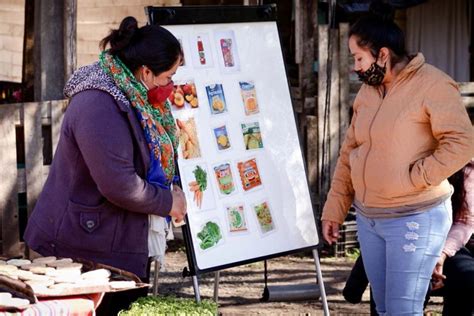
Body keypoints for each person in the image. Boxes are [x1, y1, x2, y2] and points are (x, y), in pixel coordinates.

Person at [321, 2, 474, 315]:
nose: (355, 67)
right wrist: (334, 209)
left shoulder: (434, 84)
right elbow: (350, 153)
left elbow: (462, 142)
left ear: (383, 54)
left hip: (416, 216)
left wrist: (416, 177)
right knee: (385, 309)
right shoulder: (367, 94)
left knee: (403, 310)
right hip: (370, 218)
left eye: (358, 57)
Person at [24, 16, 187, 285]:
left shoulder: (134, 94)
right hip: (77, 252)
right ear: (146, 72)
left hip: (106, 239)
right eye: (168, 77)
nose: (171, 85)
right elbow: (121, 185)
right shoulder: (99, 104)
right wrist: (169, 202)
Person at [343, 161, 474, 315]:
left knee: (467, 279)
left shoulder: (466, 169)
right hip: (403, 233)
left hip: (447, 242)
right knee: (394, 276)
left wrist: (440, 255)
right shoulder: (404, 156)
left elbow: (464, 222)